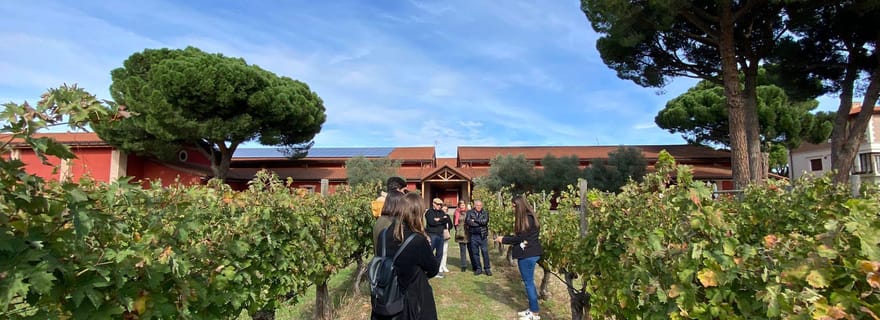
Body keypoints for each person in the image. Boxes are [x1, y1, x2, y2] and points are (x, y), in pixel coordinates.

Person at [371, 192, 440, 320]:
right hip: (411, 301)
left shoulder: (384, 235)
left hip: (387, 299)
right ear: (418, 214)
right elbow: (433, 269)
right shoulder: (418, 241)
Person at [495, 196, 544, 320]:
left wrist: (503, 239)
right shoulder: (529, 217)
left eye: (514, 205)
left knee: (529, 283)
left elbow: (520, 238)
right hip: (530, 252)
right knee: (528, 283)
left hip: (527, 254)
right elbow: (522, 236)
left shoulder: (527, 219)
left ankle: (534, 313)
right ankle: (532, 309)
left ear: (519, 206)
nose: (512, 208)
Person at [372, 177, 408, 251]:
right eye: (404, 191)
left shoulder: (382, 213)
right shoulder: (392, 222)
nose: (405, 194)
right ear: (398, 191)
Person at [424, 198, 450, 277]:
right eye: (438, 204)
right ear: (433, 203)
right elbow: (431, 222)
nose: (439, 206)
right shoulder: (429, 212)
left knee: (439, 254)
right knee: (429, 253)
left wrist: (439, 220)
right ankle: (426, 270)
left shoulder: (442, 212)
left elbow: (447, 220)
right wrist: (441, 220)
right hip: (432, 235)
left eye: (440, 205)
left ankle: (436, 271)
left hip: (440, 235)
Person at [466, 200, 491, 276]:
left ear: (482, 205)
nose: (479, 207)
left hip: (483, 236)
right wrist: (479, 223)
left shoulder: (485, 212)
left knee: (485, 253)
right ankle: (478, 269)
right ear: (474, 205)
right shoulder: (470, 212)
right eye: (477, 205)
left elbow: (485, 222)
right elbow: (469, 222)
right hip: (473, 236)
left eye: (480, 205)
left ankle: (487, 269)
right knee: (475, 253)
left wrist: (475, 220)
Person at [452, 200, 471, 272]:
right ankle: (463, 265)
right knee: (462, 250)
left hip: (468, 233)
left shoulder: (469, 212)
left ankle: (474, 264)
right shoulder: (456, 212)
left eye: (463, 205)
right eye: (461, 205)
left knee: (471, 250)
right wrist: (458, 230)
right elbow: (454, 223)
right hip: (461, 233)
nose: (462, 206)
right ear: (459, 205)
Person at [438, 203, 452, 273]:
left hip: (446, 235)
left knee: (445, 251)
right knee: (440, 251)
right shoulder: (439, 216)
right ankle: (439, 266)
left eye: (446, 209)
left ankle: (444, 265)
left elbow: (451, 225)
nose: (444, 211)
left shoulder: (448, 216)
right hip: (440, 235)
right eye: (443, 209)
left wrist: (447, 230)